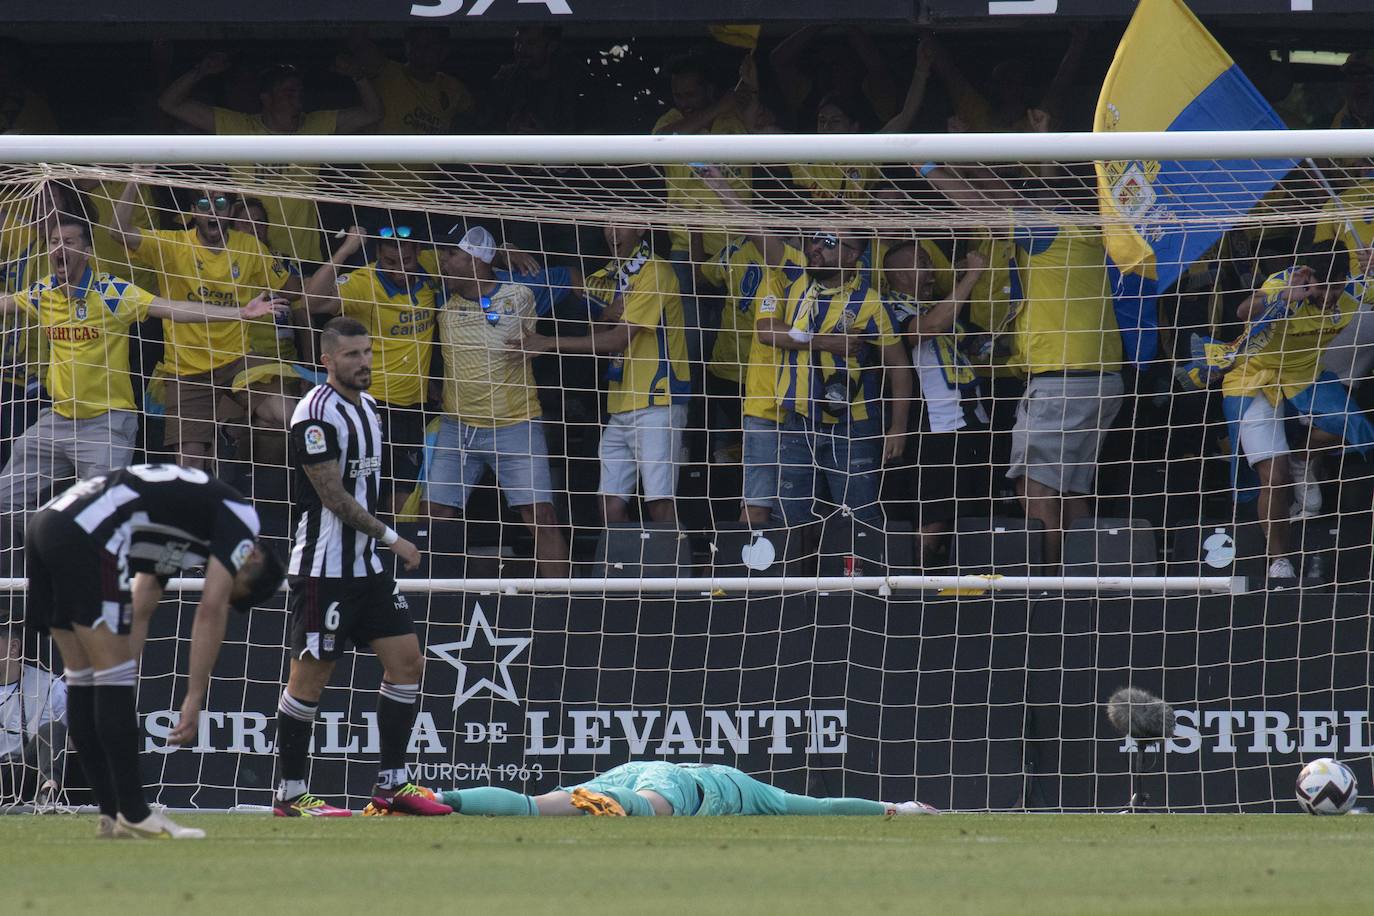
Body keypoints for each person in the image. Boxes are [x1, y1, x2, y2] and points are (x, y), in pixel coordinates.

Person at [23, 463, 287, 839]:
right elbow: (210, 609)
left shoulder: (181, 525)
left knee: (84, 678)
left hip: (46, 524)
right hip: (87, 533)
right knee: (108, 679)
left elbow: (144, 599)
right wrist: (193, 698)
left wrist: (120, 673)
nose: (222, 582)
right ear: (254, 558)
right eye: (233, 583)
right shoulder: (243, 520)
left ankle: (112, 816)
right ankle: (135, 813)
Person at [0, 215, 285, 536]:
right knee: (4, 501)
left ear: (87, 251)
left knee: (102, 521)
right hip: (56, 421)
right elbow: (6, 303)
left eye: (68, 242)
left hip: (105, 425)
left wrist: (240, 312)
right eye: (54, 242)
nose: (59, 249)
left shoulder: (111, 292)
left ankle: (95, 550)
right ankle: (54, 542)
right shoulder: (43, 293)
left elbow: (174, 308)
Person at [923, 118, 1125, 567]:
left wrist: (923, 162)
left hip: (1061, 379)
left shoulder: (1050, 233)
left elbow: (980, 204)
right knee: (1070, 490)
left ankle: (1048, 584)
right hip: (1100, 377)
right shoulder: (1086, 233)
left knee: (1034, 489)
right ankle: (1083, 577)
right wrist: (968, 154)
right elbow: (1001, 195)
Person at [273, 316, 449, 818]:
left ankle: (391, 786)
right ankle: (290, 793)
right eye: (352, 355)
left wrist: (380, 544)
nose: (364, 362)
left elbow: (367, 485)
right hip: (322, 570)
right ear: (327, 361)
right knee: (310, 681)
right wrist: (394, 539)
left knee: (408, 662)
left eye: (367, 352)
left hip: (366, 569)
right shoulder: (313, 414)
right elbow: (332, 496)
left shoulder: (370, 408)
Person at [114, 183, 300, 470]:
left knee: (285, 416)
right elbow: (117, 231)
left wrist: (303, 282)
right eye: (203, 204)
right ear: (192, 211)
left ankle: (233, 429)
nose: (212, 211)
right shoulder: (173, 245)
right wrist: (134, 181)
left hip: (237, 358)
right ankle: (226, 432)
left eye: (220, 203)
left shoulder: (250, 247)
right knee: (189, 468)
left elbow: (293, 290)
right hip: (186, 369)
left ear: (231, 211)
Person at [1218, 243, 1374, 583]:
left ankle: (1303, 458)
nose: (1329, 296)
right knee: (1275, 478)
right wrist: (1284, 297)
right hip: (1254, 379)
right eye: (1322, 288)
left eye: (1336, 287)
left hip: (1306, 378)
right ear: (1308, 277)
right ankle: (1279, 560)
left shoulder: (1357, 286)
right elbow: (1243, 311)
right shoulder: (1285, 282)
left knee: (1356, 428)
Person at [517, 225, 691, 525]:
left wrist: (548, 342)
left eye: (621, 224)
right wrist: (604, 315)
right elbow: (598, 338)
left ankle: (676, 556)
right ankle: (625, 557)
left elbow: (617, 340)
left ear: (641, 228)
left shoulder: (655, 272)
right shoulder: (610, 275)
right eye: (607, 225)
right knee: (609, 506)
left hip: (657, 403)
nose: (613, 233)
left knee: (659, 503)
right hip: (619, 405)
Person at [428, 227, 570, 577]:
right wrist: (503, 252)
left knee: (541, 515)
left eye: (452, 255)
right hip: (457, 428)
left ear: (476, 261)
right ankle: (428, 599)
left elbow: (572, 275)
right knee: (433, 516)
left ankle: (564, 600)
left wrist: (610, 312)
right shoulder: (439, 294)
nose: (443, 261)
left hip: (515, 424)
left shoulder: (522, 292)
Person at [158, 53, 382, 264]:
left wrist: (358, 76)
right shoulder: (238, 127)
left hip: (301, 253)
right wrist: (200, 71)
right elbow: (169, 103)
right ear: (266, 98)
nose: (298, 99)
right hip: (249, 253)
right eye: (289, 92)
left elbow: (373, 113)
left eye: (300, 92)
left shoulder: (316, 125)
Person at [757, 230, 912, 532]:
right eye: (814, 238)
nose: (815, 246)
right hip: (798, 421)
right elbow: (766, 333)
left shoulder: (870, 303)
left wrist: (898, 427)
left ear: (852, 255)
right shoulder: (794, 277)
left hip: (853, 427)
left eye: (828, 242)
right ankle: (798, 566)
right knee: (789, 520)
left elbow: (899, 367)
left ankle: (862, 565)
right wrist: (826, 342)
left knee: (859, 520)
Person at [304, 223, 437, 511]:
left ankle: (389, 542)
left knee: (402, 495)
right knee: (363, 490)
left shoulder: (431, 266)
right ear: (377, 254)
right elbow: (312, 302)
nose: (399, 269)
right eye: (389, 262)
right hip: (371, 404)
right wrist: (346, 250)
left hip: (414, 408)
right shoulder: (364, 282)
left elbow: (469, 261)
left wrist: (505, 251)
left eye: (406, 260)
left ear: (419, 251)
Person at [884, 244, 991, 565]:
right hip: (934, 426)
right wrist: (971, 277)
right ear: (901, 274)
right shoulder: (890, 308)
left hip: (970, 422)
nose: (931, 271)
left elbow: (982, 344)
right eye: (922, 263)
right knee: (935, 514)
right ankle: (917, 580)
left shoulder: (939, 307)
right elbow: (928, 328)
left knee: (969, 512)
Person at [434, 761, 939, 818]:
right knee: (651, 808)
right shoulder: (758, 793)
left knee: (536, 807)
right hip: (680, 785)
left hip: (630, 768)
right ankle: (615, 806)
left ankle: (441, 799)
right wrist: (899, 807)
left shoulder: (748, 787)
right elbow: (827, 806)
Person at [352, 27, 475, 136]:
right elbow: (358, 43)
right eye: (414, 44)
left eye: (428, 45)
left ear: (444, 51)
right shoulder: (386, 71)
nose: (420, 52)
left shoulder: (453, 88)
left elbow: (476, 119)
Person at [0, 621, 67, 807]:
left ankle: (48, 794)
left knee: (52, 729)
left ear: (13, 647)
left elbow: (79, 738)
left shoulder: (50, 687)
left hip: (26, 773)